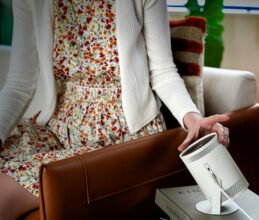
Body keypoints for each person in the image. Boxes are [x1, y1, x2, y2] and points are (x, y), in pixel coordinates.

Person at [0, 0, 230, 219]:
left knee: (4, 190)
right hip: (58, 127)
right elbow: (20, 82)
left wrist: (193, 119)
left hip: (122, 135)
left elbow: (163, 73)